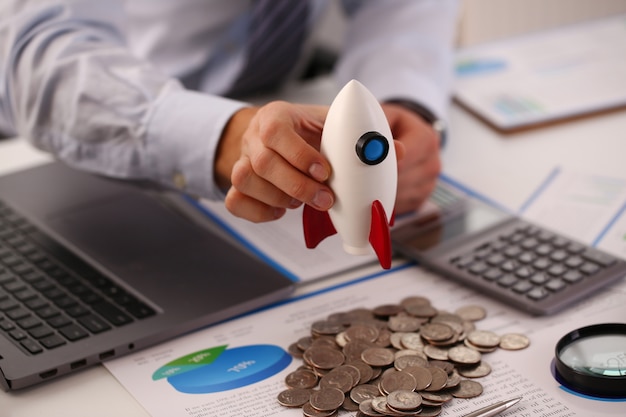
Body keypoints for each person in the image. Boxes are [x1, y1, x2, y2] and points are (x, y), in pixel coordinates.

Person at [0, 0, 459, 223]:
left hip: (276, 113)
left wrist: (403, 100)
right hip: (63, 140)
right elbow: (40, 53)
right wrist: (223, 137)